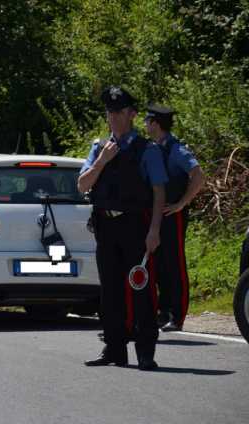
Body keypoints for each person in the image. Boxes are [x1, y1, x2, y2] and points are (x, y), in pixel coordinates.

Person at [78, 87, 167, 371]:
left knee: (140, 288)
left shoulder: (146, 149)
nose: (113, 117)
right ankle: (114, 349)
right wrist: (102, 161)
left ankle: (145, 352)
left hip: (134, 226)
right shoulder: (99, 148)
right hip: (105, 225)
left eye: (119, 112)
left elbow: (158, 192)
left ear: (132, 115)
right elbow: (82, 185)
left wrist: (154, 230)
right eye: (110, 112)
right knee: (110, 291)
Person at [144, 103, 204, 332]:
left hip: (172, 214)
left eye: (148, 121)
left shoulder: (177, 150)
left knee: (174, 264)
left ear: (156, 124)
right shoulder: (152, 147)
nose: (145, 124)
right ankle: (163, 311)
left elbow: (198, 175)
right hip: (155, 213)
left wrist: (182, 203)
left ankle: (177, 316)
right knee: (157, 263)